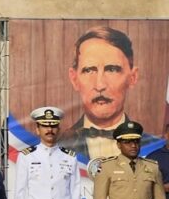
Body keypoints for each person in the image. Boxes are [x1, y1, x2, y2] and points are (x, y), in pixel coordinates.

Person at [63, 26, 160, 163]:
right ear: (74, 79)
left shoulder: (154, 147)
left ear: (132, 77)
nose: (100, 85)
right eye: (89, 70)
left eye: (112, 69)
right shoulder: (59, 145)